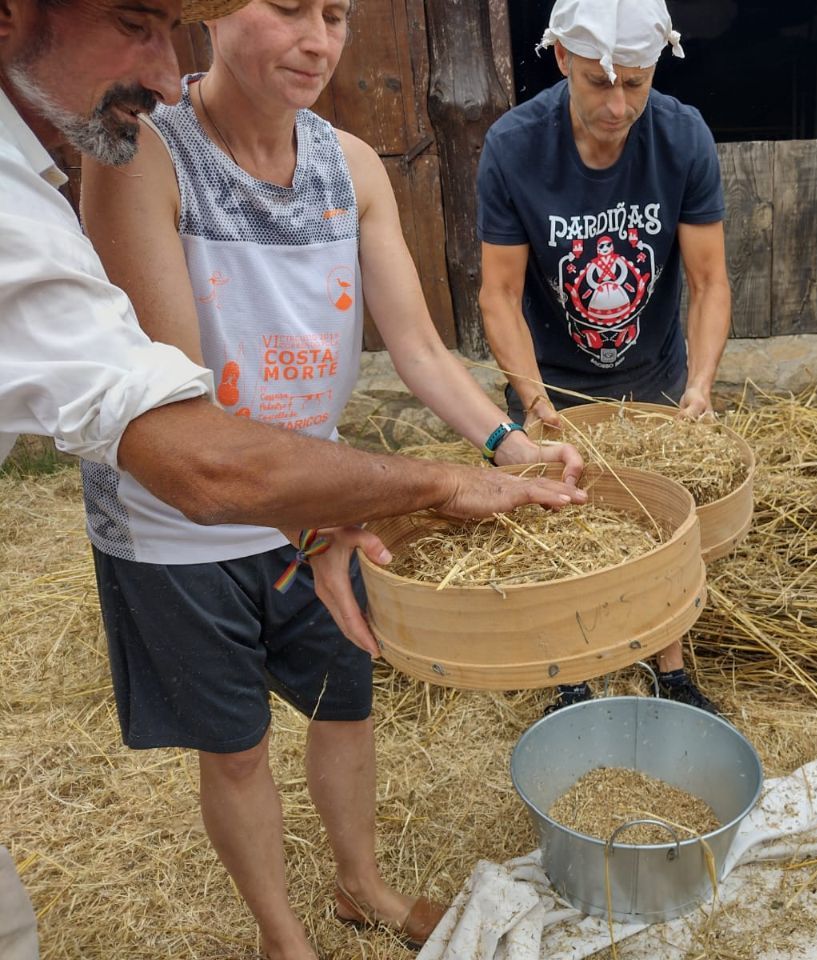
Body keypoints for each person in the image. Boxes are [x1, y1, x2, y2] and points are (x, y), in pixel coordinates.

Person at [0, 0, 584, 955]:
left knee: (344, 707)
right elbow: (180, 415)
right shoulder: (142, 153)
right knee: (234, 750)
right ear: (218, 17)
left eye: (337, 15)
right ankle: (284, 937)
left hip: (321, 501)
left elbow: (423, 351)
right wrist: (357, 505)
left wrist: (507, 447)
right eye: (288, 9)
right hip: (180, 528)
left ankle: (364, 889)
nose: (319, 42)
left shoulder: (349, 166)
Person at [476, 0, 732, 713]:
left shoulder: (681, 137)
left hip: (651, 371)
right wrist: (533, 403)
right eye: (597, 83)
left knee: (663, 525)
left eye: (635, 84)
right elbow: (498, 295)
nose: (617, 105)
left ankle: (670, 671)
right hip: (550, 379)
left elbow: (709, 280)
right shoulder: (515, 146)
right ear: (561, 59)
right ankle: (571, 682)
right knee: (564, 528)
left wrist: (701, 386)